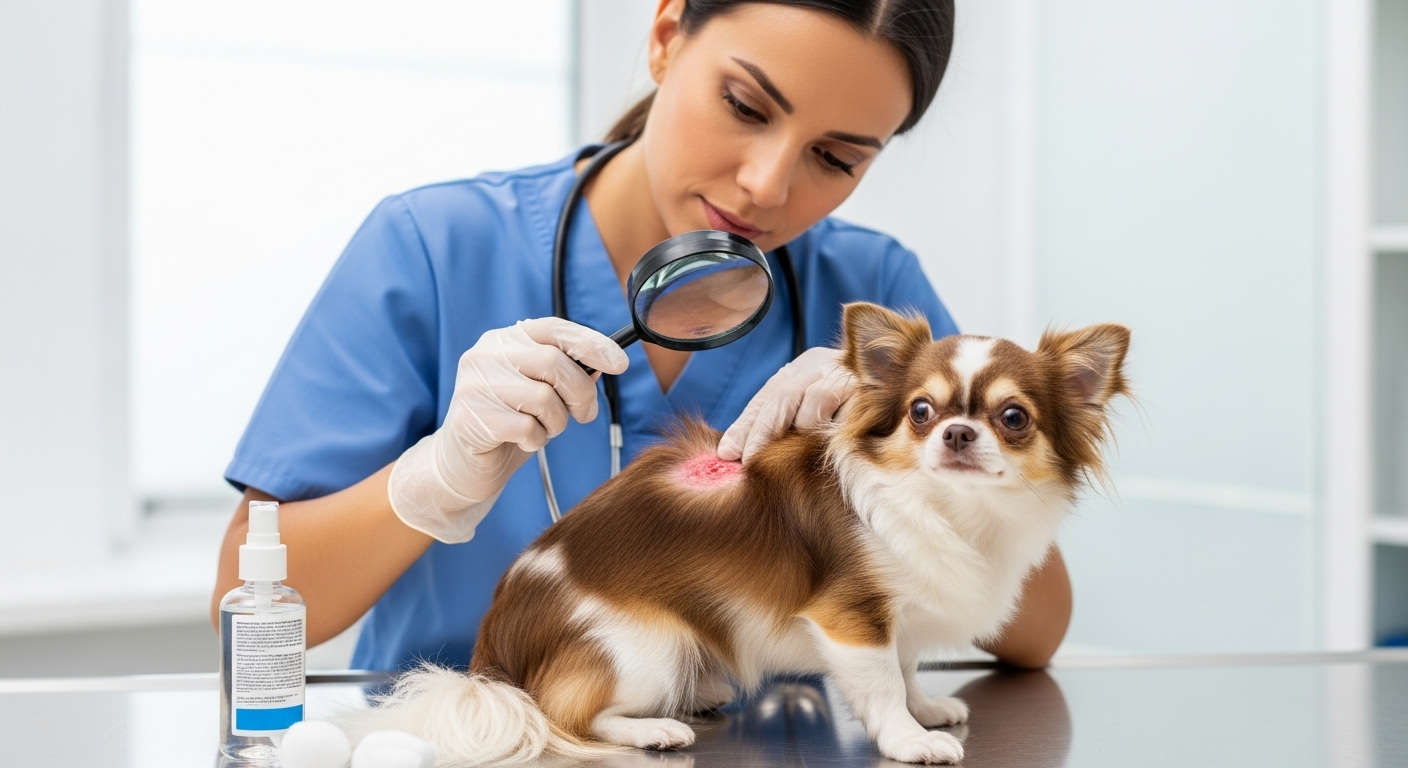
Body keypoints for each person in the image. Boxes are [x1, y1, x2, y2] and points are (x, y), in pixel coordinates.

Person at [211, 0, 1072, 673]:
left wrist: (919, 458)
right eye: (743, 105)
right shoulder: (433, 248)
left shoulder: (873, 299)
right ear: (665, 37)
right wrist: (429, 482)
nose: (767, 185)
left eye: (836, 159)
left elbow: (1037, 631)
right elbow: (242, 602)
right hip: (474, 733)